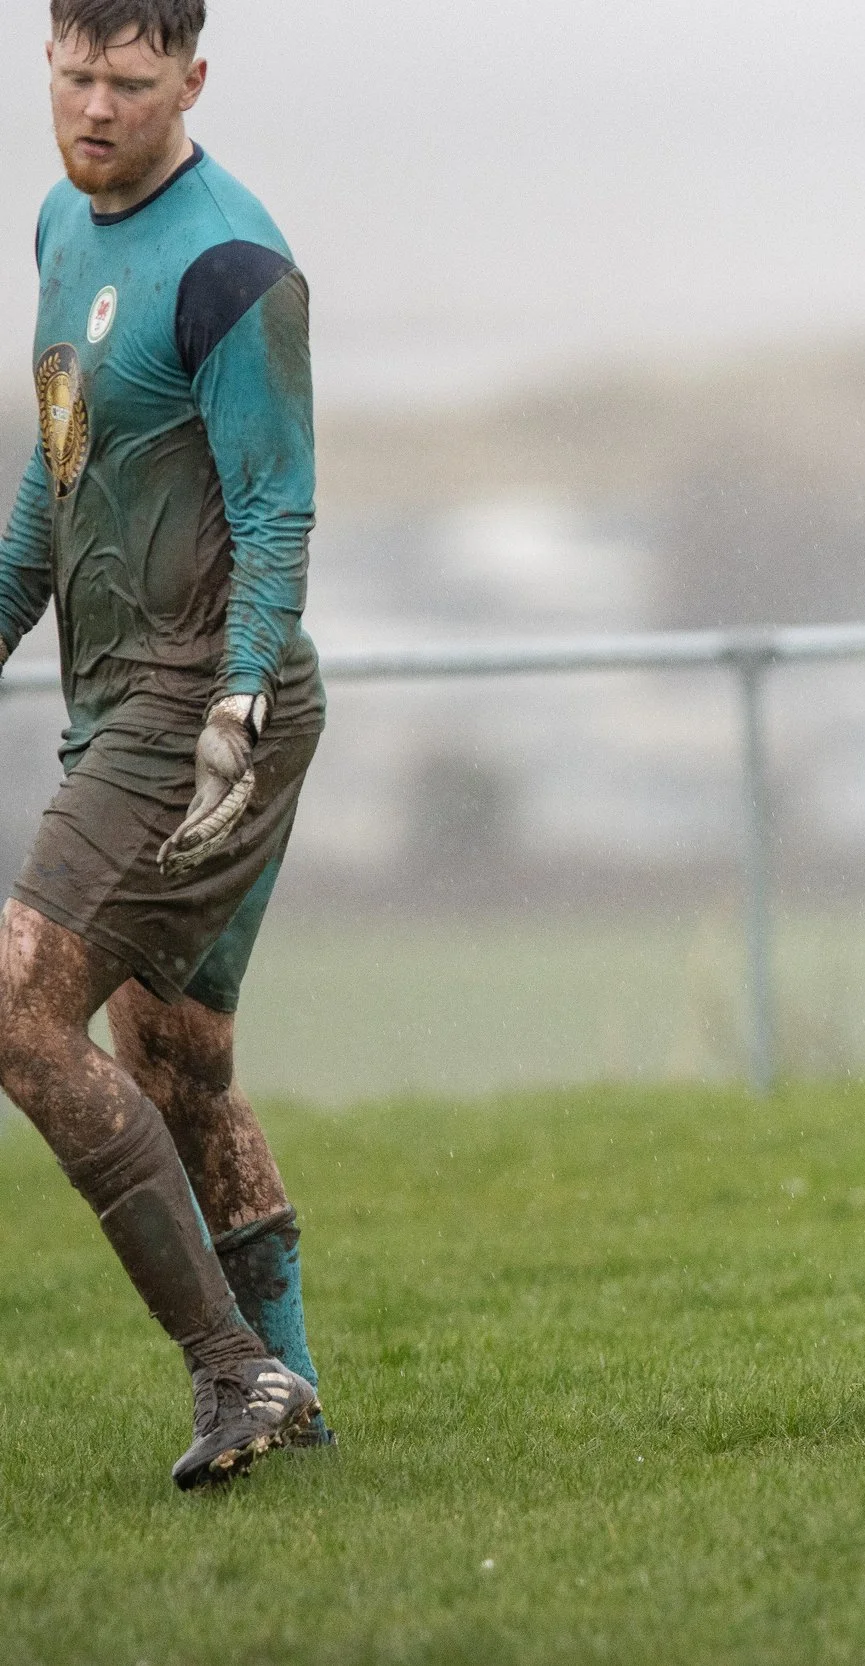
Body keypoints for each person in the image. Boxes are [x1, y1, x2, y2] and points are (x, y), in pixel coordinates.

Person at [0, 0, 332, 1489]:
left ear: (192, 79)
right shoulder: (62, 230)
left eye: (130, 84)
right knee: (178, 1059)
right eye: (73, 75)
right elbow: (57, 470)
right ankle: (294, 1386)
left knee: (16, 1007)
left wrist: (237, 701)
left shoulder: (234, 265)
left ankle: (231, 1368)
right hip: (123, 699)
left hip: (200, 706)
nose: (94, 108)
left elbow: (275, 507)